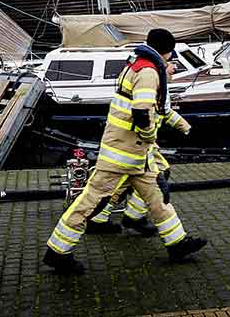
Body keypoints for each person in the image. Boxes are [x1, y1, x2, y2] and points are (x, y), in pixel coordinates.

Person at [42, 29, 208, 275]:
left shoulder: (134, 65)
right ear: (168, 51)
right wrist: (150, 135)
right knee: (89, 203)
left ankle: (177, 243)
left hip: (134, 155)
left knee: (159, 199)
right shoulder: (149, 71)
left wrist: (173, 130)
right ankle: (57, 253)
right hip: (125, 154)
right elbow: (142, 112)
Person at [86, 58, 191, 237]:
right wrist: (150, 136)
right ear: (164, 65)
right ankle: (132, 217)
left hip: (136, 145)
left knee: (123, 182)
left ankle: (103, 218)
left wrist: (184, 126)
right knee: (158, 174)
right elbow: (146, 114)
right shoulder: (151, 82)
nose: (175, 69)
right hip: (138, 144)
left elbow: (163, 112)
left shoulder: (154, 82)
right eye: (173, 64)